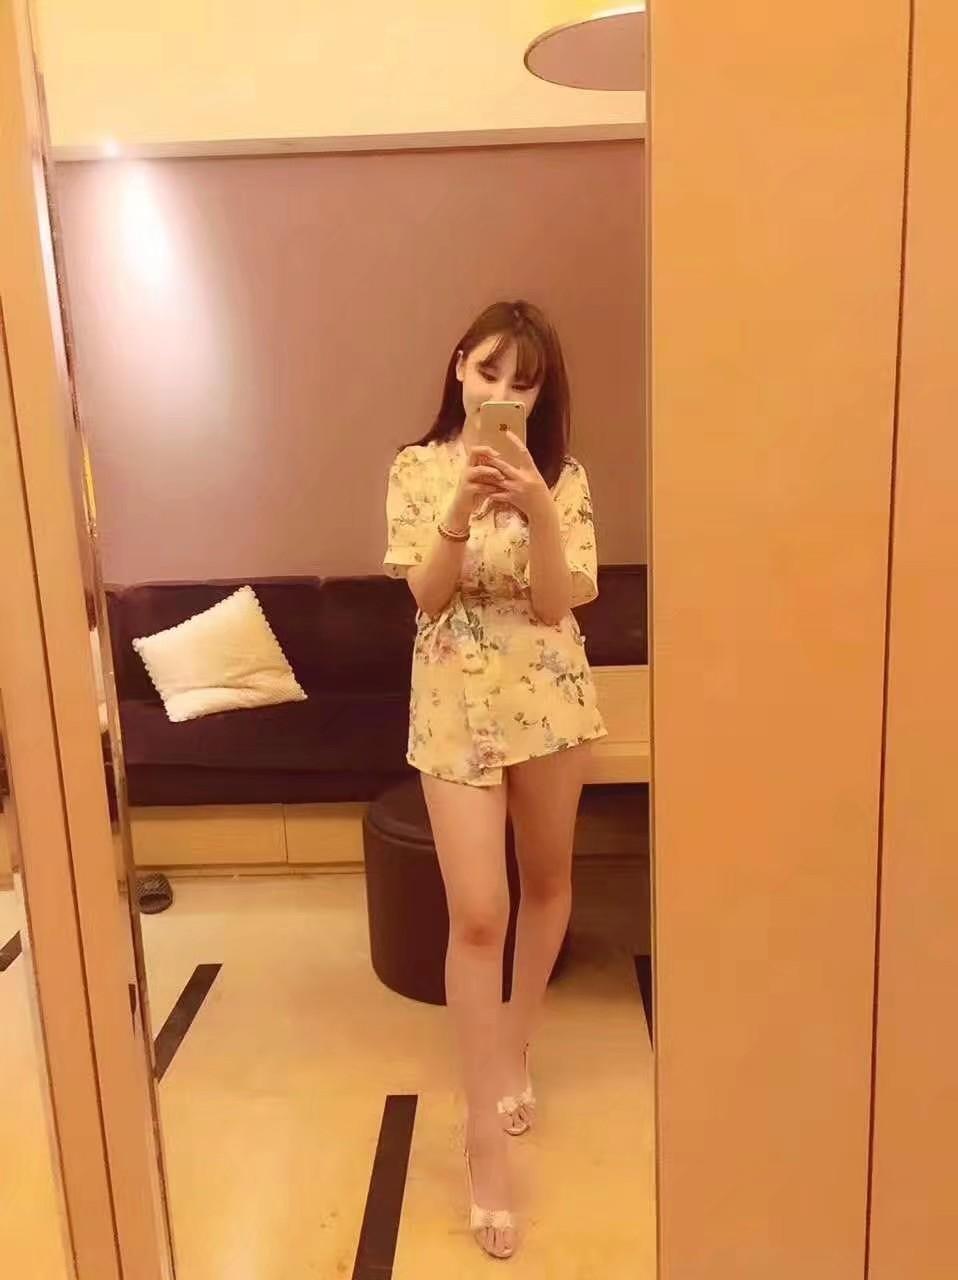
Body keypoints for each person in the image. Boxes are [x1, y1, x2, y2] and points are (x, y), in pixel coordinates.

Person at [383, 300, 606, 1260]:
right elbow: (427, 596)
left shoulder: (565, 476)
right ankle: (482, 1140)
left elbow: (555, 605)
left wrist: (541, 508)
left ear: (541, 395)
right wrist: (462, 508)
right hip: (452, 704)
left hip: (548, 698)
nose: (502, 394)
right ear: (458, 368)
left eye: (524, 382)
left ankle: (516, 1042)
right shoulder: (416, 468)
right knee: (479, 913)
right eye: (488, 372)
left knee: (548, 884)